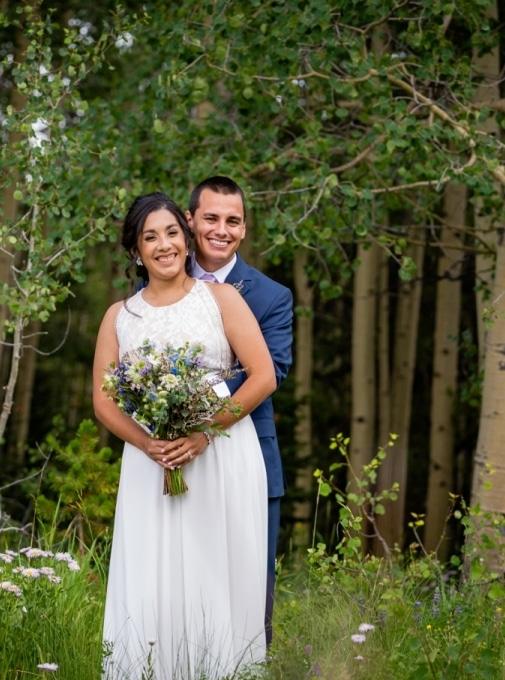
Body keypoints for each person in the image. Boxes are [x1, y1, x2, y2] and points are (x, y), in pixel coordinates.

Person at [94, 192, 276, 679]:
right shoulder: (119, 316)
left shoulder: (221, 299)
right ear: (135, 250)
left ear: (187, 237)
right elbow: (103, 400)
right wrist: (148, 442)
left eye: (172, 232)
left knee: (214, 576)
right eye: (149, 237)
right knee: (153, 582)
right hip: (151, 462)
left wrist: (203, 433)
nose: (164, 245)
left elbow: (262, 376)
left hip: (219, 455)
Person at [186, 176, 294, 647]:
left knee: (249, 588)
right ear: (190, 220)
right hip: (173, 455)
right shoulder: (158, 277)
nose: (221, 230)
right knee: (182, 578)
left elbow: (275, 371)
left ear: (245, 229)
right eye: (211, 218)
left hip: (246, 451)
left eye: (233, 221)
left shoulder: (271, 295)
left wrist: (190, 401)